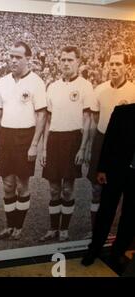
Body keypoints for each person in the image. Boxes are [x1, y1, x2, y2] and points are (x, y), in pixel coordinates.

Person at [0, 41, 47, 240]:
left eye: (18, 57)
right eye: (11, 56)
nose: (13, 60)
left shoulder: (36, 82)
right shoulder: (3, 82)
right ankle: (9, 225)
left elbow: (42, 116)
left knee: (22, 184)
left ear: (28, 59)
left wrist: (34, 145)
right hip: (6, 136)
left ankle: (19, 226)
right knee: (7, 184)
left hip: (25, 136)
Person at [39, 46, 93, 242]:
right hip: (54, 139)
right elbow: (47, 121)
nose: (66, 63)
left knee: (68, 188)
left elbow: (87, 119)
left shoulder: (85, 86)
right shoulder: (52, 87)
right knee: (54, 188)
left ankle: (64, 229)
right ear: (58, 62)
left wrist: (83, 147)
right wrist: (44, 148)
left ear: (78, 62)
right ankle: (53, 228)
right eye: (63, 60)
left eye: (70, 60)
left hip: (73, 140)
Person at [85, 51, 135, 239]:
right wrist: (89, 147)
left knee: (121, 190)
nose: (114, 68)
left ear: (126, 67)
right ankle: (95, 231)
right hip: (101, 141)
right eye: (111, 64)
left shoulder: (133, 90)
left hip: (125, 146)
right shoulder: (100, 89)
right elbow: (96, 118)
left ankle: (115, 232)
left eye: (118, 64)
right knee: (96, 189)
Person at [81, 103, 135, 274]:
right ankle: (94, 250)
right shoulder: (122, 111)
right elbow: (109, 140)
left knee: (130, 216)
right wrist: (102, 168)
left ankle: (117, 252)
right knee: (106, 211)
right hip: (116, 171)